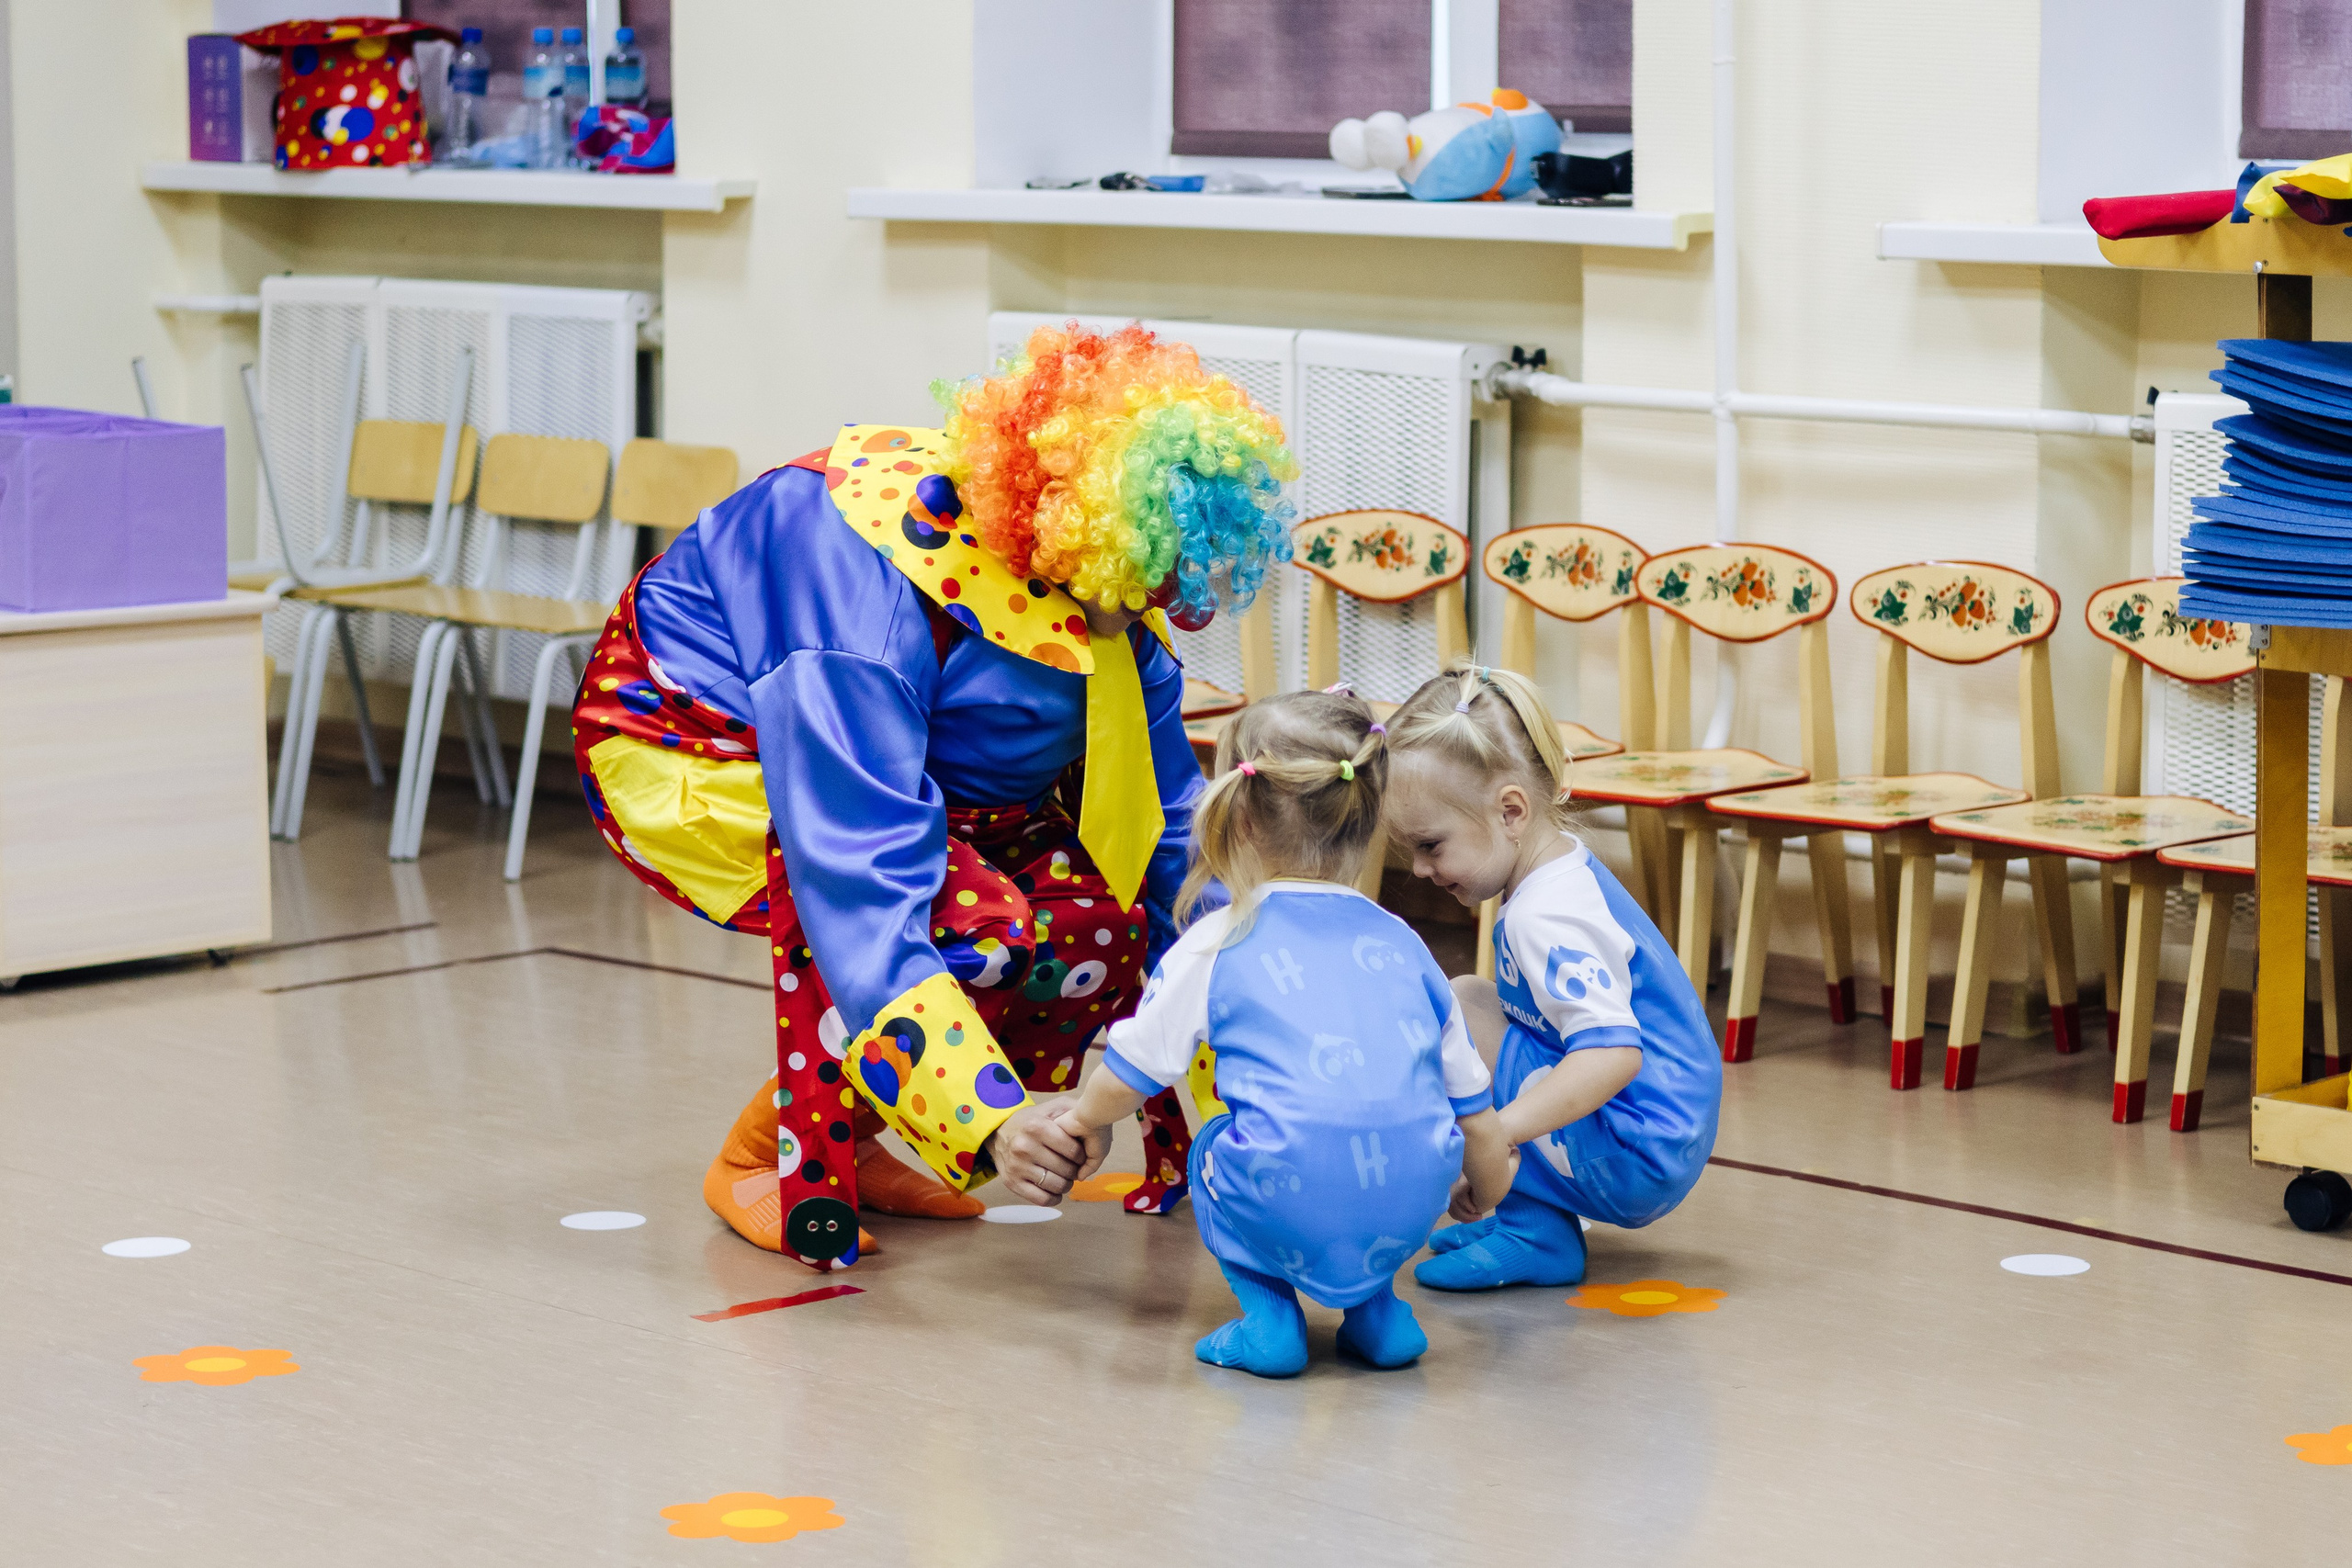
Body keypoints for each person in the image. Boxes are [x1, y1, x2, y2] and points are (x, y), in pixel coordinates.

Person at [570, 323, 1296, 1269]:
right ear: (1061, 537)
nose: (1148, 615)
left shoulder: (1115, 606)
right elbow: (861, 878)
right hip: (695, 747)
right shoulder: (861, 605)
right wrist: (994, 1120)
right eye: (1134, 586)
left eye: (1165, 588)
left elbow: (1168, 842)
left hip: (916, 769)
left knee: (1093, 923)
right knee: (972, 930)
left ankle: (862, 1134)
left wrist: (1274, 992)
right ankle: (763, 1158)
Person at [1052, 692, 1516, 1377]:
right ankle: (1378, 1314)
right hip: (1410, 1205)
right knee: (1377, 1166)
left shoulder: (1218, 939)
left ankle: (1268, 1320)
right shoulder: (1404, 941)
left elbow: (1133, 1069)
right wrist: (1487, 1190)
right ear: (1368, 816)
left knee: (1213, 1146)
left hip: (1288, 1194)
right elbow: (1474, 1112)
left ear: (1238, 815)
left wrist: (1084, 1121)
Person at [1379, 664, 1723, 1292]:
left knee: (1456, 1028)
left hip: (1639, 1149)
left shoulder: (1547, 914)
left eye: (1430, 845)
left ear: (1511, 811)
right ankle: (1533, 1214)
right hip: (1654, 1128)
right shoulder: (1555, 868)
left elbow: (1613, 1054)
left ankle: (1537, 1233)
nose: (1420, 869)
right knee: (1468, 1000)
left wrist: (1497, 1136)